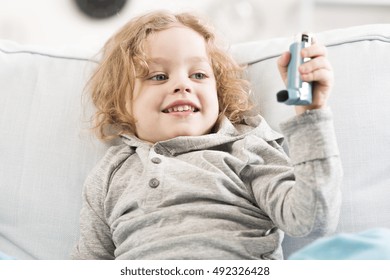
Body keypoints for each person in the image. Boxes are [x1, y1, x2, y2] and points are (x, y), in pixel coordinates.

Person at [72, 10, 342, 260]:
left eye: (199, 74)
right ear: (121, 103)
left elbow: (312, 220)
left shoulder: (246, 150)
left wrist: (311, 115)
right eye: (157, 76)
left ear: (219, 91)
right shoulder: (110, 173)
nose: (182, 84)